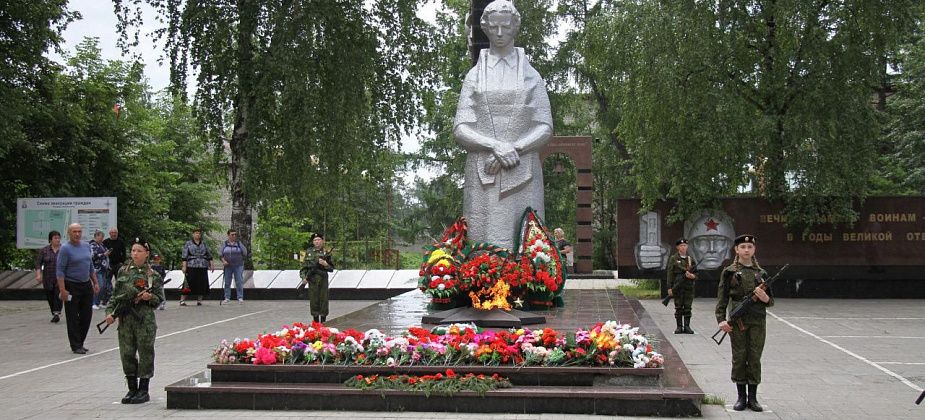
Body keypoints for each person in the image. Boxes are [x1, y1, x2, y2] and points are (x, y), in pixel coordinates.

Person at [453, 0, 553, 250]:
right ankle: (482, 284)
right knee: (482, 244)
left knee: (524, 242)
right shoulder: (474, 76)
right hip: (482, 170)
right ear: (485, 28)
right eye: (494, 27)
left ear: (515, 27)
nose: (499, 34)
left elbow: (545, 126)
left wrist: (515, 148)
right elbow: (461, 127)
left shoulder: (532, 76)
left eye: (505, 27)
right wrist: (495, 146)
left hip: (524, 170)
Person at [715, 234, 772, 412]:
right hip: (737, 321)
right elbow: (722, 297)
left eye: (749, 247)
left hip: (757, 322)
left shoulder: (761, 274)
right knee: (740, 357)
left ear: (754, 250)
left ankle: (753, 398)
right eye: (743, 247)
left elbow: (770, 301)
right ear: (737, 250)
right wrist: (721, 319)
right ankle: (741, 397)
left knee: (754, 357)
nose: (746, 250)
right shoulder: (729, 272)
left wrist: (764, 297)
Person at [104, 238, 163, 404]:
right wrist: (110, 313)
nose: (135, 254)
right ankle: (132, 388)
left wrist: (149, 296)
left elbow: (159, 299)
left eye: (139, 251)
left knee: (145, 353)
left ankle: (144, 389)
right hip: (125, 320)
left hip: (144, 321)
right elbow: (115, 297)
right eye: (133, 251)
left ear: (146, 254)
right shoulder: (123, 272)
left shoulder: (153, 275)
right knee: (127, 354)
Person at [56, 223, 100, 354]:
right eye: (74, 231)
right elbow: (60, 271)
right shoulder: (65, 248)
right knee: (73, 316)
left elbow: (90, 265)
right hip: (71, 285)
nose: (77, 234)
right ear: (69, 233)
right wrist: (63, 290)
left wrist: (96, 282)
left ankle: (80, 341)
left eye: (79, 231)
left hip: (86, 284)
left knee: (87, 315)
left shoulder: (86, 246)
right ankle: (75, 345)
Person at [299, 233, 334, 323]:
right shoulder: (307, 252)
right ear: (313, 242)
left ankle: (323, 323)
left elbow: (331, 268)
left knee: (324, 300)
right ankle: (315, 323)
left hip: (323, 279)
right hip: (312, 279)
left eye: (318, 239)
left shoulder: (327, 252)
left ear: (322, 241)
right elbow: (303, 267)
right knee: (314, 301)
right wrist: (304, 278)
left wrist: (325, 264)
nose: (317, 241)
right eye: (315, 240)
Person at [666, 238, 698, 334]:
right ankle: (679, 327)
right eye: (681, 246)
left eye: (685, 246)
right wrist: (669, 287)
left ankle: (687, 326)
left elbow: (696, 273)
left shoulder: (690, 259)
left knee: (688, 307)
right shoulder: (674, 258)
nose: (683, 247)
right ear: (677, 247)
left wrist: (692, 276)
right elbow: (670, 273)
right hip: (678, 286)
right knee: (678, 306)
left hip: (688, 287)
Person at [180, 227, 213, 306]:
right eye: (196, 233)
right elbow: (184, 256)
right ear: (193, 234)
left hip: (202, 265)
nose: (197, 235)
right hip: (191, 265)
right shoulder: (188, 243)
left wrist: (211, 264)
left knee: (202, 283)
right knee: (188, 282)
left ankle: (199, 300)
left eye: (199, 233)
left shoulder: (204, 243)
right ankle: (182, 300)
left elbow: (209, 254)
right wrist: (184, 266)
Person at [35, 230, 63, 323]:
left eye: (59, 238)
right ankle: (54, 312)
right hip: (48, 277)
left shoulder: (63, 249)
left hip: (60, 278)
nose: (58, 240)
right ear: (50, 240)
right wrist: (38, 274)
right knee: (50, 296)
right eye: (55, 238)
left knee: (58, 295)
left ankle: (56, 313)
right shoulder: (44, 250)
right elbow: (38, 264)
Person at [219, 229, 247, 304]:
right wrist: (224, 261)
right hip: (228, 266)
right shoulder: (224, 244)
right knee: (227, 282)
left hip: (238, 265)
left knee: (239, 281)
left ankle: (240, 297)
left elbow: (245, 253)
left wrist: (240, 259)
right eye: (232, 234)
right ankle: (227, 297)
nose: (234, 236)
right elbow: (220, 255)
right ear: (228, 235)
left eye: (235, 234)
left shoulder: (239, 243)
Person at [103, 227, 127, 298]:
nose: (114, 234)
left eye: (115, 233)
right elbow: (102, 253)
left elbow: (124, 253)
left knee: (120, 281)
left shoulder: (121, 241)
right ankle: (107, 298)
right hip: (108, 265)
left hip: (118, 264)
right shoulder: (105, 242)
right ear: (109, 233)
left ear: (117, 233)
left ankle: (119, 297)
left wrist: (122, 262)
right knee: (107, 282)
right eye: (112, 233)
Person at [90, 230, 111, 310]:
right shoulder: (92, 245)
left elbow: (106, 256)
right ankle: (94, 302)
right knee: (99, 285)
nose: (102, 238)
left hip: (104, 268)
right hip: (96, 269)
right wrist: (103, 254)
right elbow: (93, 256)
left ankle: (98, 302)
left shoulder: (102, 245)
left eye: (103, 237)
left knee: (104, 286)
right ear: (96, 236)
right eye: (101, 237)